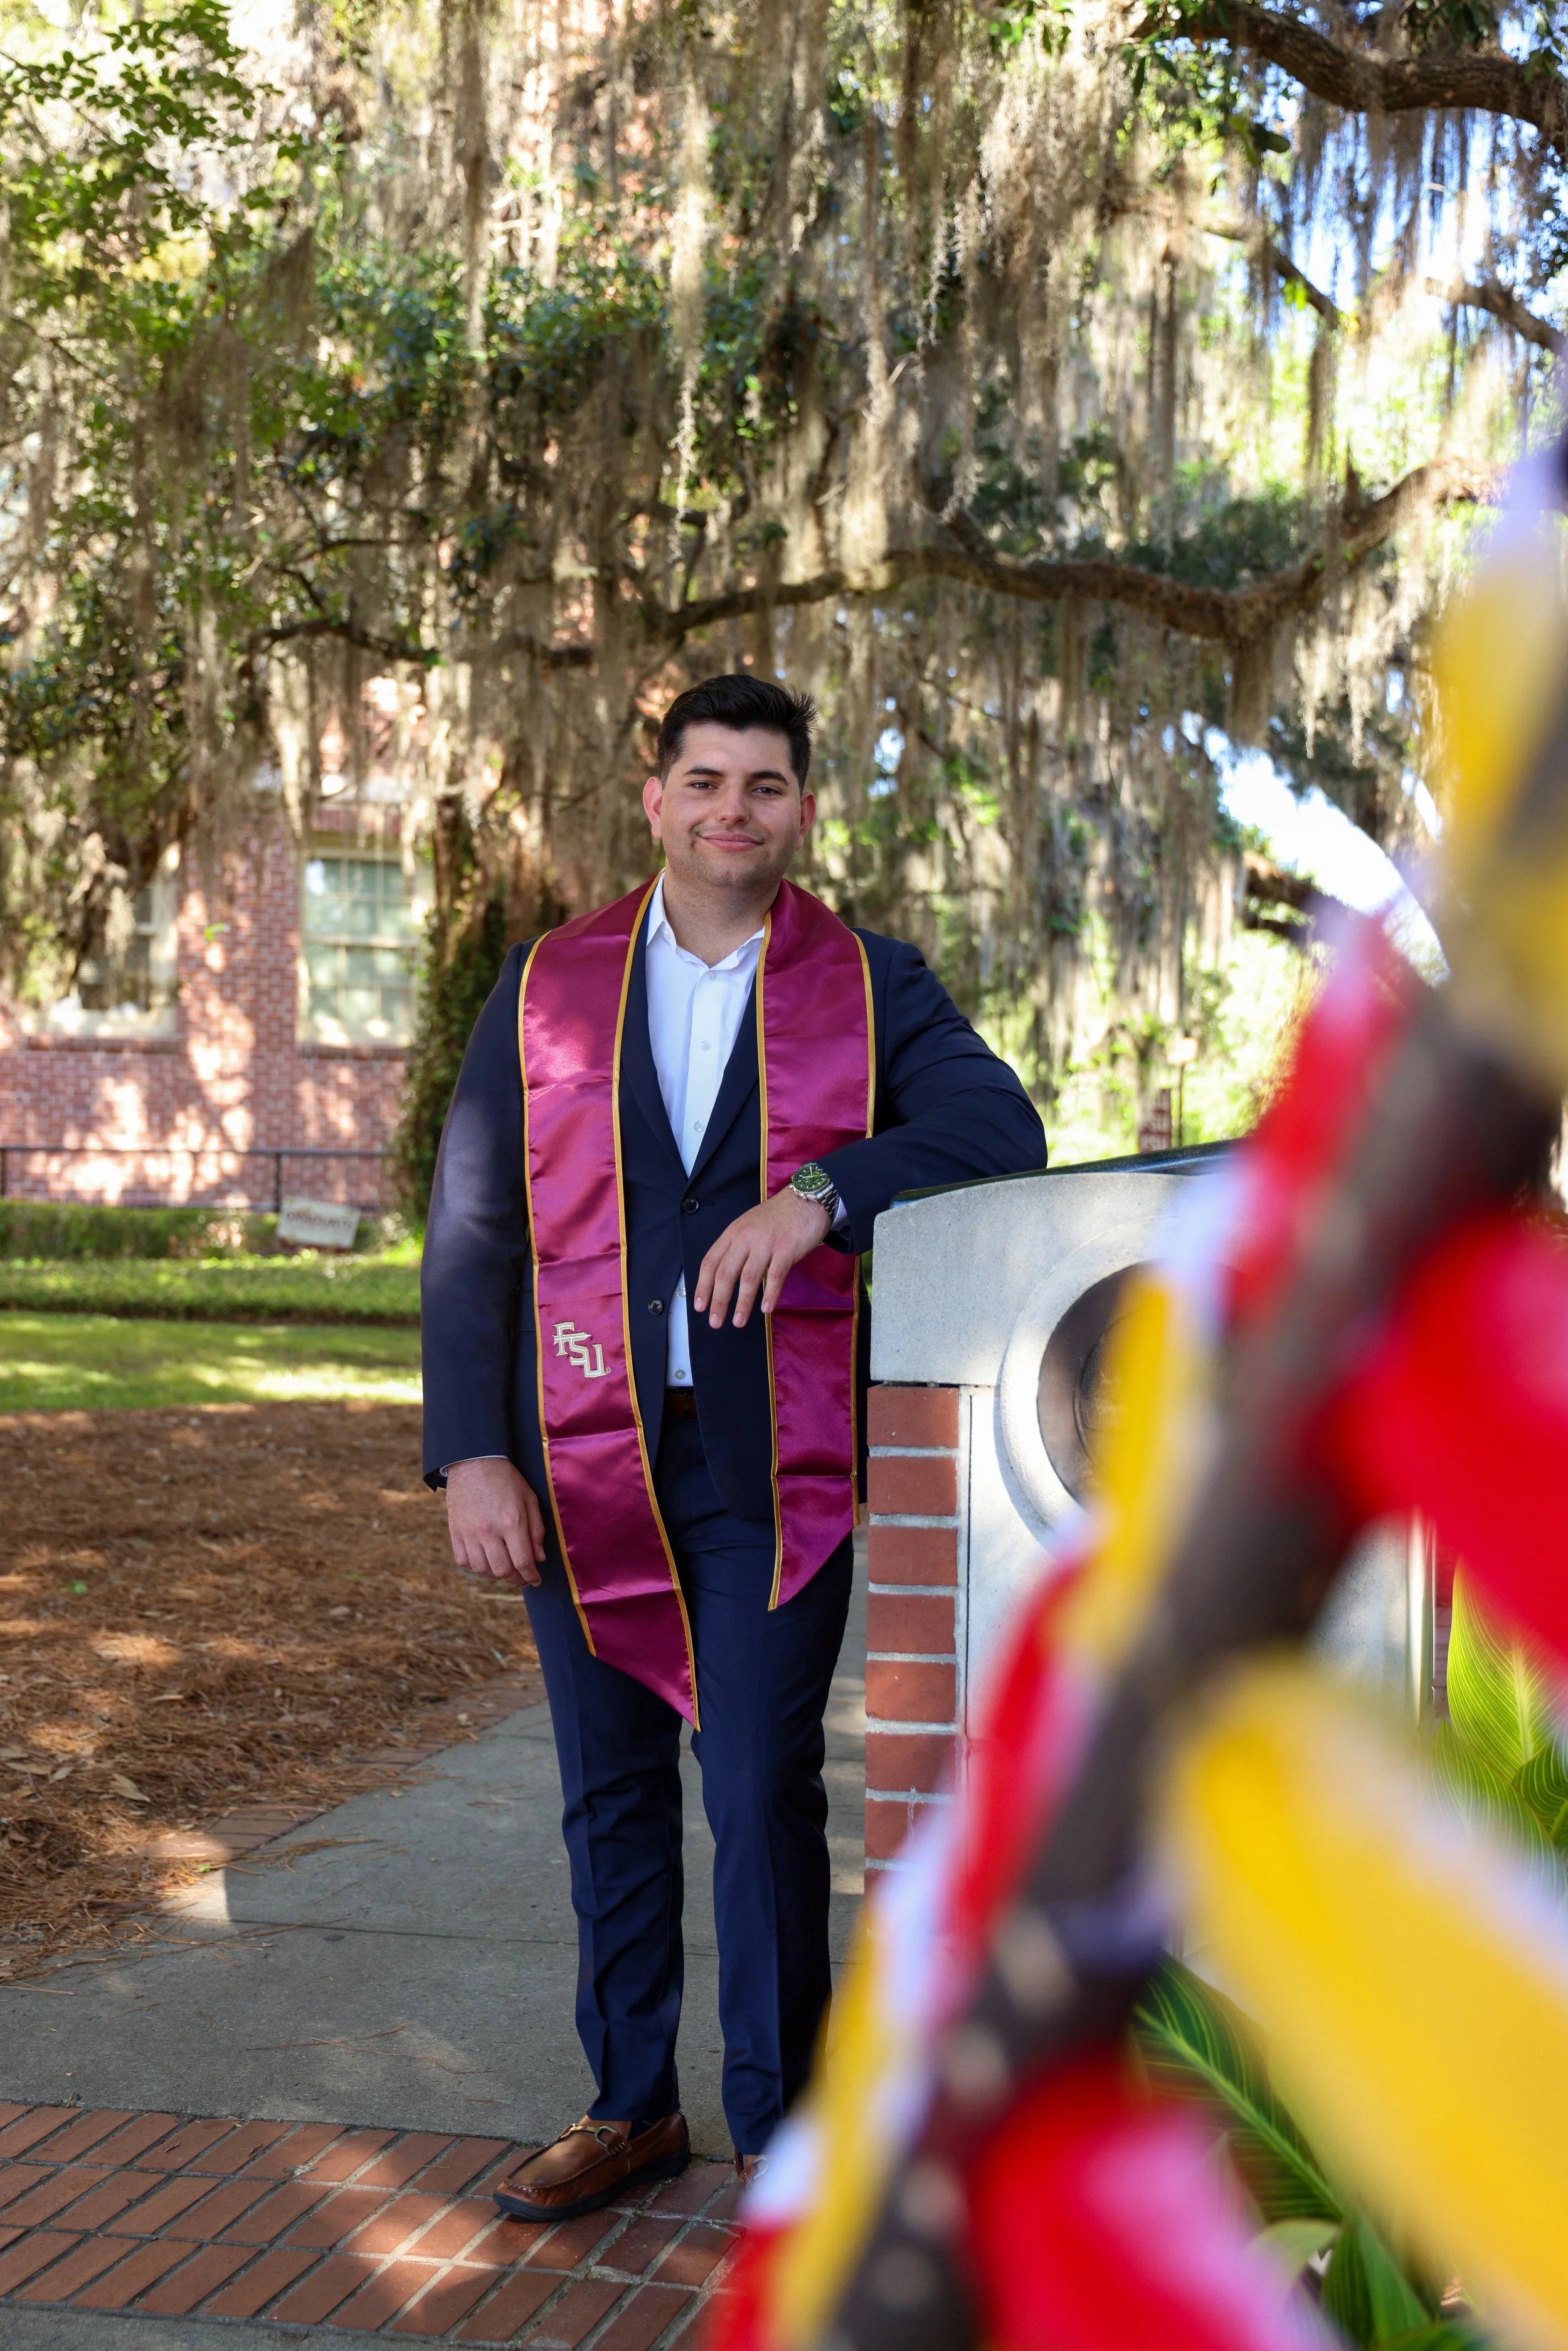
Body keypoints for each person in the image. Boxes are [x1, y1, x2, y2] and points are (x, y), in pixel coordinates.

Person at [420, 673, 1047, 2219]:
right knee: (607, 1786)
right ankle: (628, 2103)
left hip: (774, 1466)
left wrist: (820, 1195)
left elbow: (998, 1129)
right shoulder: (547, 983)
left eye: (762, 785)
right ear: (655, 799)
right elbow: (475, 1223)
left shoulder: (870, 983)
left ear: (800, 810)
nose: (730, 811)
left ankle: (779, 2129)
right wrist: (470, 1451)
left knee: (761, 1784)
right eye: (703, 781)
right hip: (577, 1451)